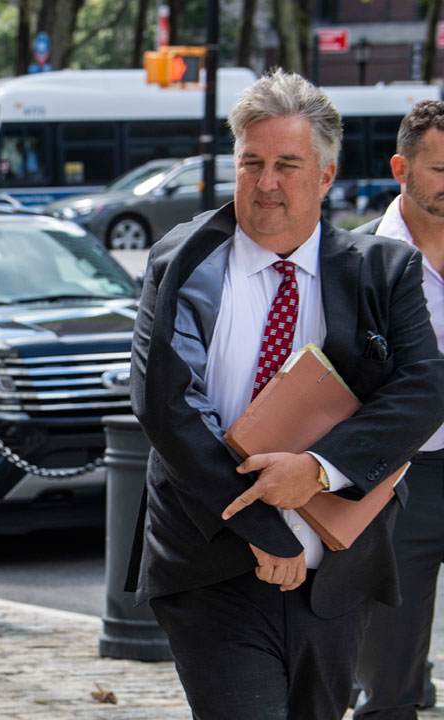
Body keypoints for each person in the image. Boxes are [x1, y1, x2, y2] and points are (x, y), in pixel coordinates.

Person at [128, 69, 444, 720]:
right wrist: (265, 528)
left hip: (338, 571)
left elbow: (423, 389)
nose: (266, 183)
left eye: (287, 165)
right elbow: (168, 407)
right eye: (252, 163)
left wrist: (316, 471)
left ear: (326, 177)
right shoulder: (180, 263)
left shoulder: (382, 271)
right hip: (212, 558)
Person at [353, 101, 444, 719]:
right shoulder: (357, 261)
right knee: (387, 686)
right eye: (441, 168)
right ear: (400, 168)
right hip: (401, 483)